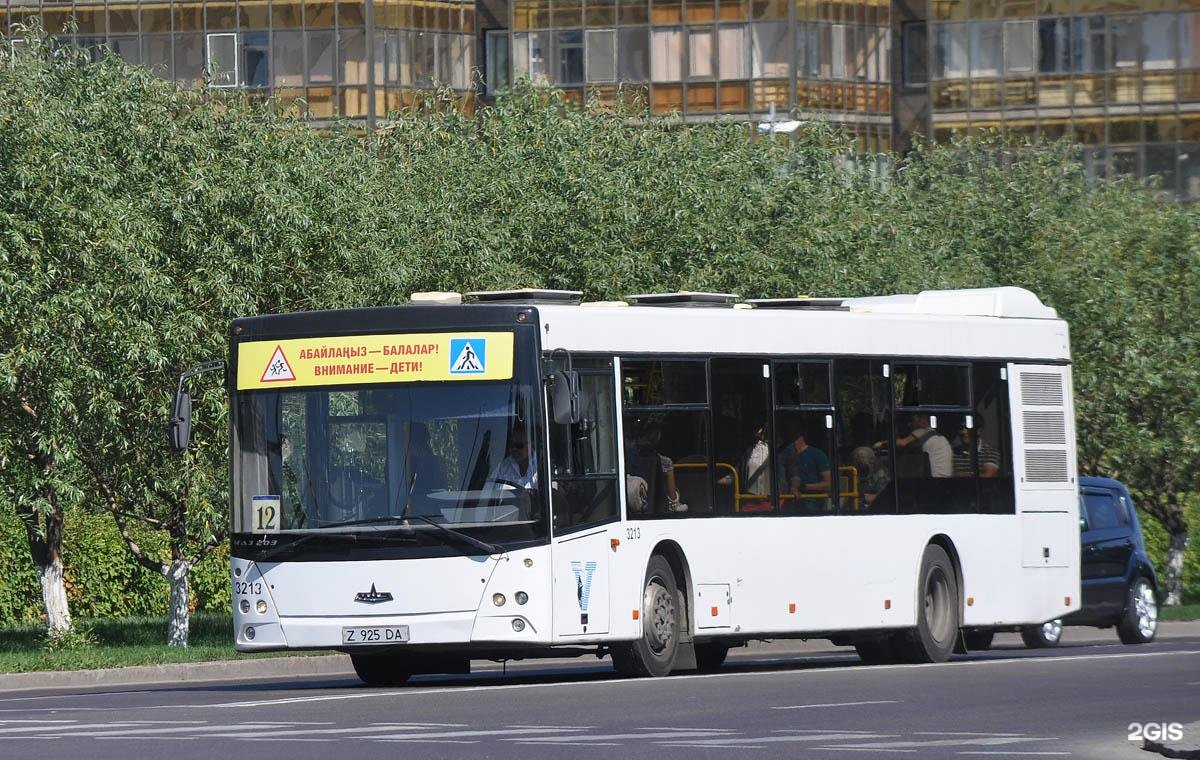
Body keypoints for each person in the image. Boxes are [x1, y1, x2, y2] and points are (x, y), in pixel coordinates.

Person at [878, 413, 952, 478]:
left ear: (917, 419)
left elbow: (902, 443)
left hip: (933, 478)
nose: (910, 425)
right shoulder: (938, 437)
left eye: (912, 421)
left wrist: (882, 443)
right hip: (945, 478)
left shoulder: (923, 431)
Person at [778, 429, 832, 508]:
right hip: (786, 504)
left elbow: (829, 484)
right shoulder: (781, 455)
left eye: (793, 435)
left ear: (802, 436)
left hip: (812, 505)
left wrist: (804, 487)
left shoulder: (818, 455)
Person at [491, 425, 538, 489]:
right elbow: (489, 491)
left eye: (519, 445)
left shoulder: (542, 466)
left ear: (530, 445)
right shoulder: (502, 467)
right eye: (511, 445)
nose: (514, 449)